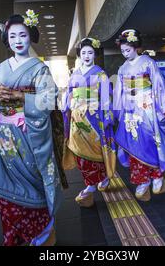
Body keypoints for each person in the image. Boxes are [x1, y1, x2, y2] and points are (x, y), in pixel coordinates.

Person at [0, 11, 63, 246]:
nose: (18, 40)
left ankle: (42, 233)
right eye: (12, 36)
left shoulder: (39, 69)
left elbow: (50, 100)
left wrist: (18, 97)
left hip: (28, 136)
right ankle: (12, 235)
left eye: (22, 35)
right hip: (3, 138)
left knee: (33, 185)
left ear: (30, 36)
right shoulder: (0, 69)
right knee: (5, 195)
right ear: (7, 39)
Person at [114, 29, 165, 201]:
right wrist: (118, 112)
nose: (125, 54)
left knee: (150, 142)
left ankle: (157, 176)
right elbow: (119, 91)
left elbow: (158, 85)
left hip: (147, 106)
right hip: (129, 109)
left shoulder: (148, 63)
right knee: (134, 144)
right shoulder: (122, 68)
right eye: (122, 51)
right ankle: (142, 181)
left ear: (136, 47)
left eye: (127, 50)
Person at [62, 38, 116, 208]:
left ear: (95, 54)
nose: (86, 55)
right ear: (79, 55)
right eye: (83, 52)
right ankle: (95, 181)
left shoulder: (100, 73)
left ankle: (95, 183)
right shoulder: (75, 73)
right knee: (80, 153)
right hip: (77, 118)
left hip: (94, 116)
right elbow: (69, 93)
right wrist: (67, 104)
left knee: (98, 150)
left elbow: (107, 96)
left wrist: (107, 116)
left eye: (90, 52)